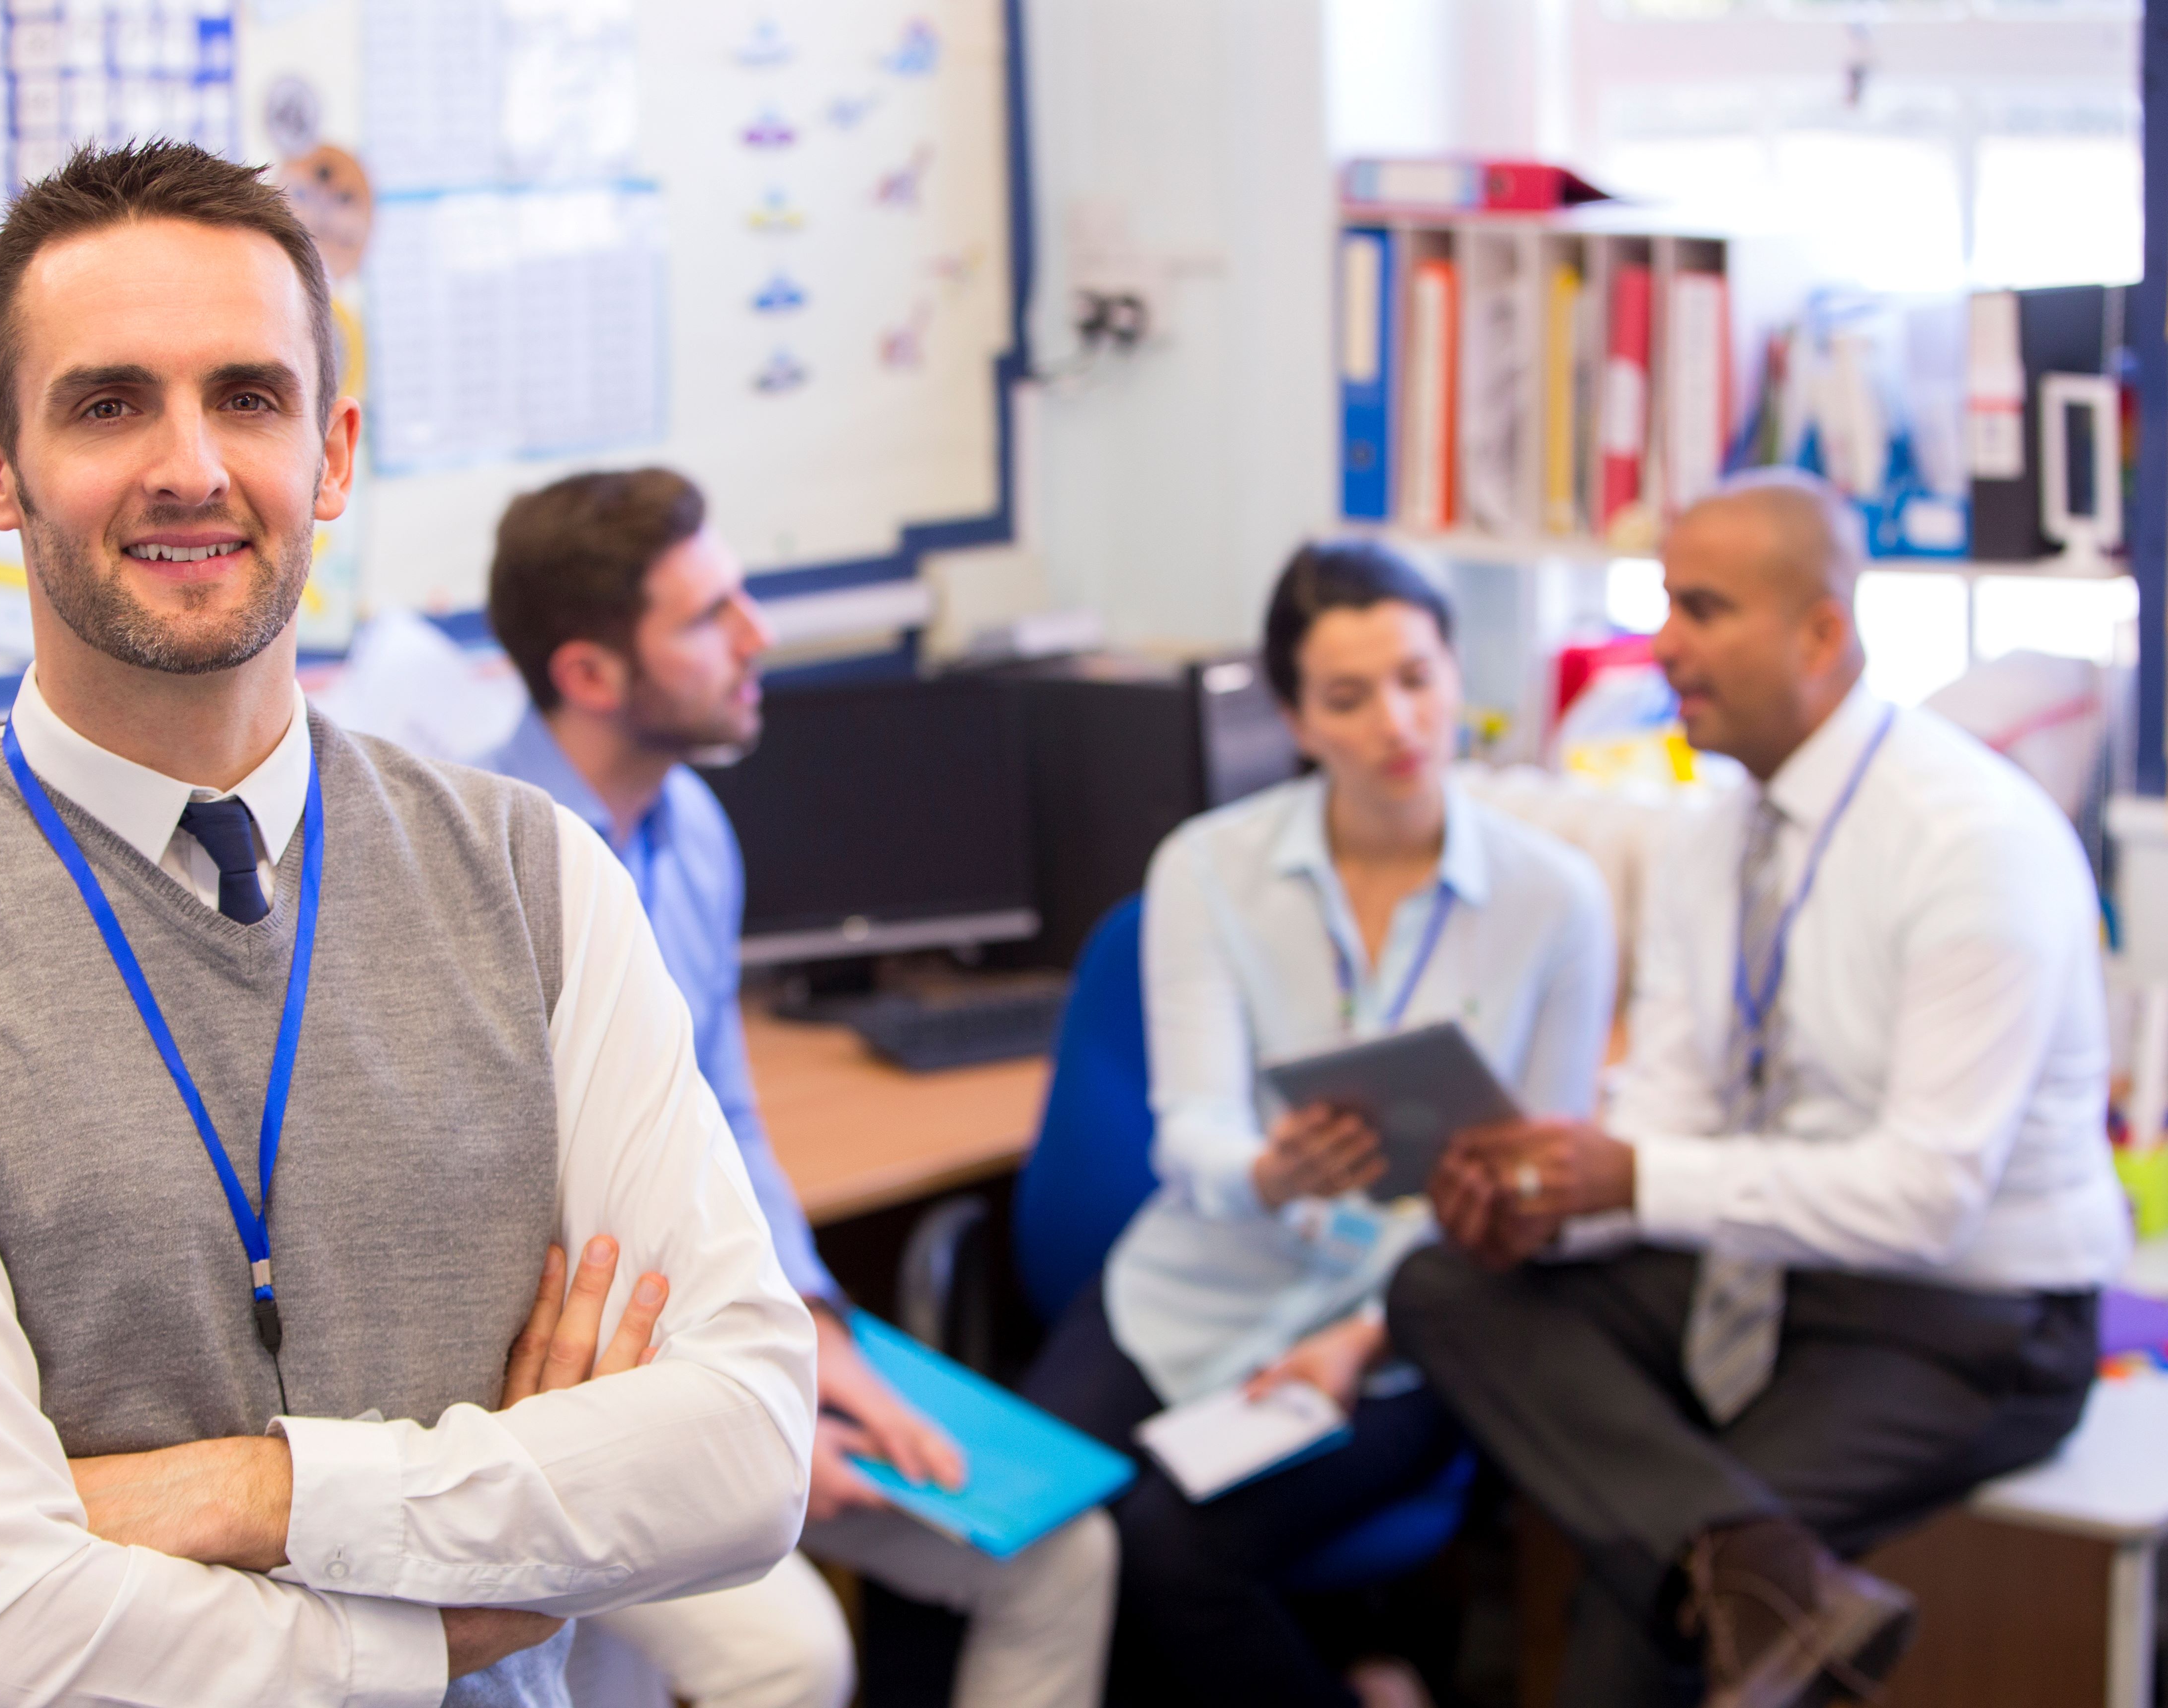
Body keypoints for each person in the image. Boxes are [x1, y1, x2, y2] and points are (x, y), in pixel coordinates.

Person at [0, 142, 815, 1708]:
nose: (191, 467)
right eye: (108, 405)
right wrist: (434, 1619)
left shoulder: (538, 877)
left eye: (248, 396)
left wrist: (252, 1491)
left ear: (333, 453)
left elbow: (744, 1451)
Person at [1389, 469, 2130, 1708]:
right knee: (1446, 1283)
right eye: (1666, 603)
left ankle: (1734, 1580)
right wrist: (1557, 1195)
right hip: (1776, 1276)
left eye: (1704, 609)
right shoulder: (1709, 839)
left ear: (1824, 634)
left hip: (1974, 1316)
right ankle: (1769, 1581)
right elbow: (1672, 1123)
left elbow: (1924, 1201)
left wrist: (1633, 1175)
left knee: (1648, 1615)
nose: (1665, 645)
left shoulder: (1973, 842)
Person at [481, 468, 1117, 1708]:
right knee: (795, 1660)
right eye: (710, 616)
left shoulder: (694, 828)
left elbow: (729, 1115)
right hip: (573, 1389)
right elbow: (511, 1239)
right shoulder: (482, 864)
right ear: (593, 676)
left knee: (1061, 1556)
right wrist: (755, 1410)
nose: (759, 637)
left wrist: (819, 1334)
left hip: (728, 1337)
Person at [1016, 541, 1617, 1708]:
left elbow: (1551, 1183)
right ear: (1295, 718)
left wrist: (1368, 1341)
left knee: (1169, 1552)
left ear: (1458, 679)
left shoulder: (1557, 900)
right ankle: (1365, 1664)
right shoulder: (1209, 869)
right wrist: (1268, 1171)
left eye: (1419, 678)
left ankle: (1359, 1665)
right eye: (1349, 697)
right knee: (1018, 1525)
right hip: (1194, 1289)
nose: (1398, 722)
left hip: (1405, 1333)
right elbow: (1187, 1133)